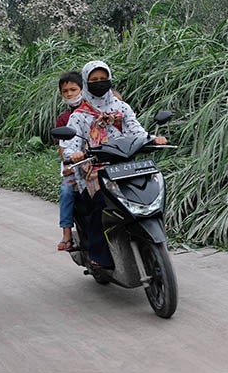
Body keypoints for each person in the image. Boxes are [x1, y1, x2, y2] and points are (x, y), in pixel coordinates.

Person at [61, 60, 166, 268]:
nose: (99, 83)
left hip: (126, 165)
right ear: (86, 82)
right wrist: (74, 154)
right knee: (100, 204)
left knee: (151, 190)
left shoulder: (121, 107)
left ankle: (153, 232)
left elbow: (136, 131)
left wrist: (153, 138)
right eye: (94, 80)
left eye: (103, 79)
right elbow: (70, 144)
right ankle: (98, 256)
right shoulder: (79, 115)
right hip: (95, 169)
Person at [55, 71, 83, 251]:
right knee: (66, 191)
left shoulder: (93, 110)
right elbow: (62, 147)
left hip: (98, 161)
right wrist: (68, 164)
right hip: (75, 165)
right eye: (65, 91)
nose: (69, 94)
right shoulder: (63, 119)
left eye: (73, 89)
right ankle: (67, 234)